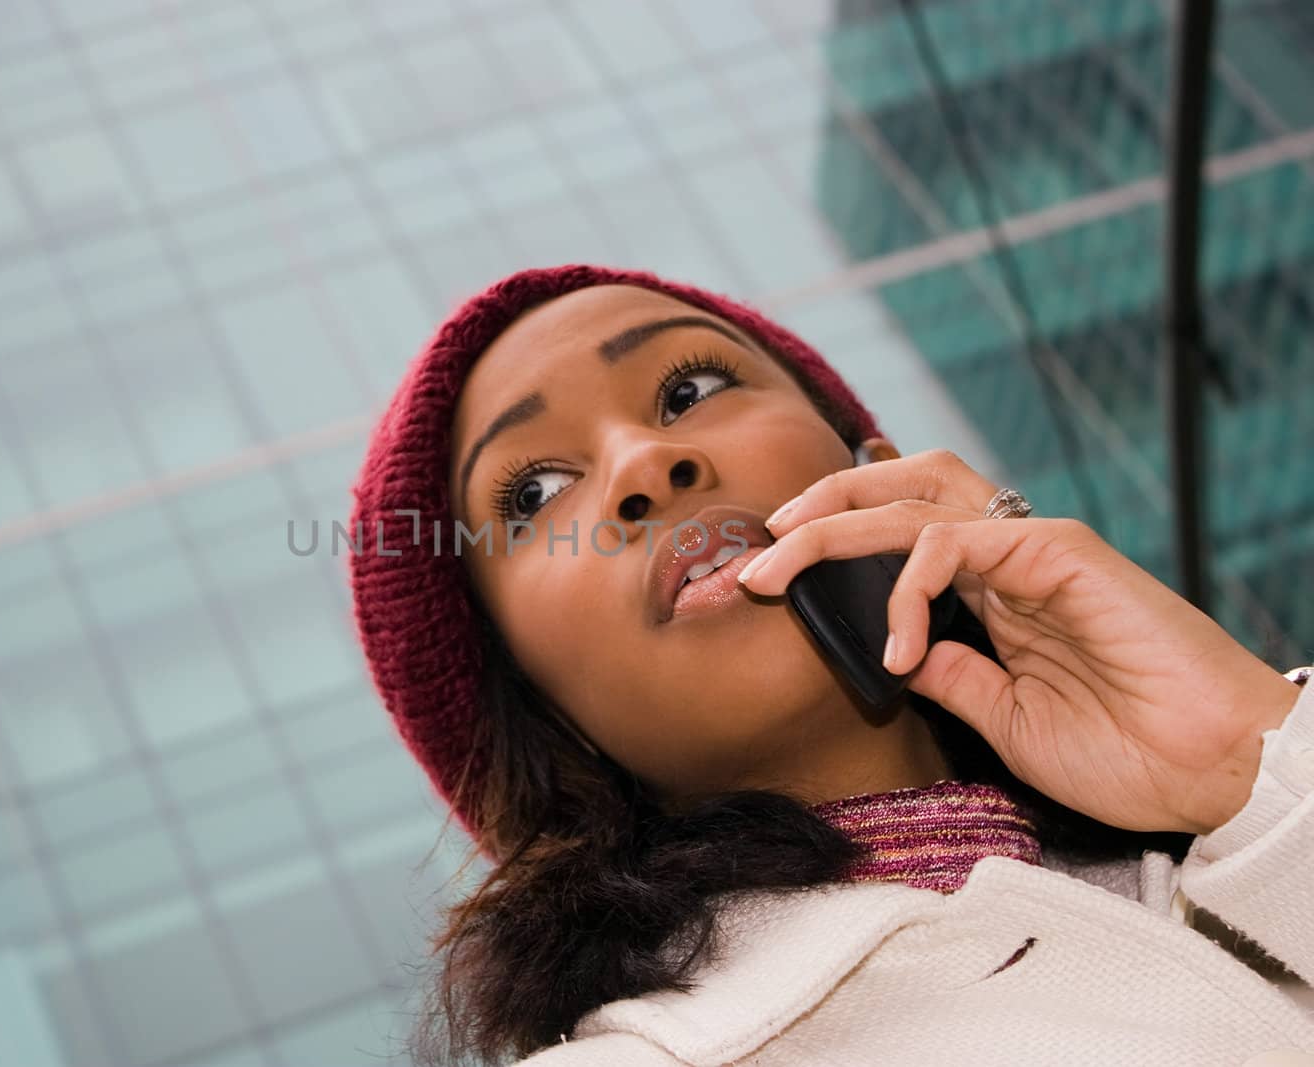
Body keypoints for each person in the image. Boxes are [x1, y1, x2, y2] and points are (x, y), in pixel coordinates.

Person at [345, 265, 1314, 1066]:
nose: (645, 462)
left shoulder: (1265, 794)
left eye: (689, 390)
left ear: (883, 471)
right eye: (536, 491)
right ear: (535, 704)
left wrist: (1250, 758)